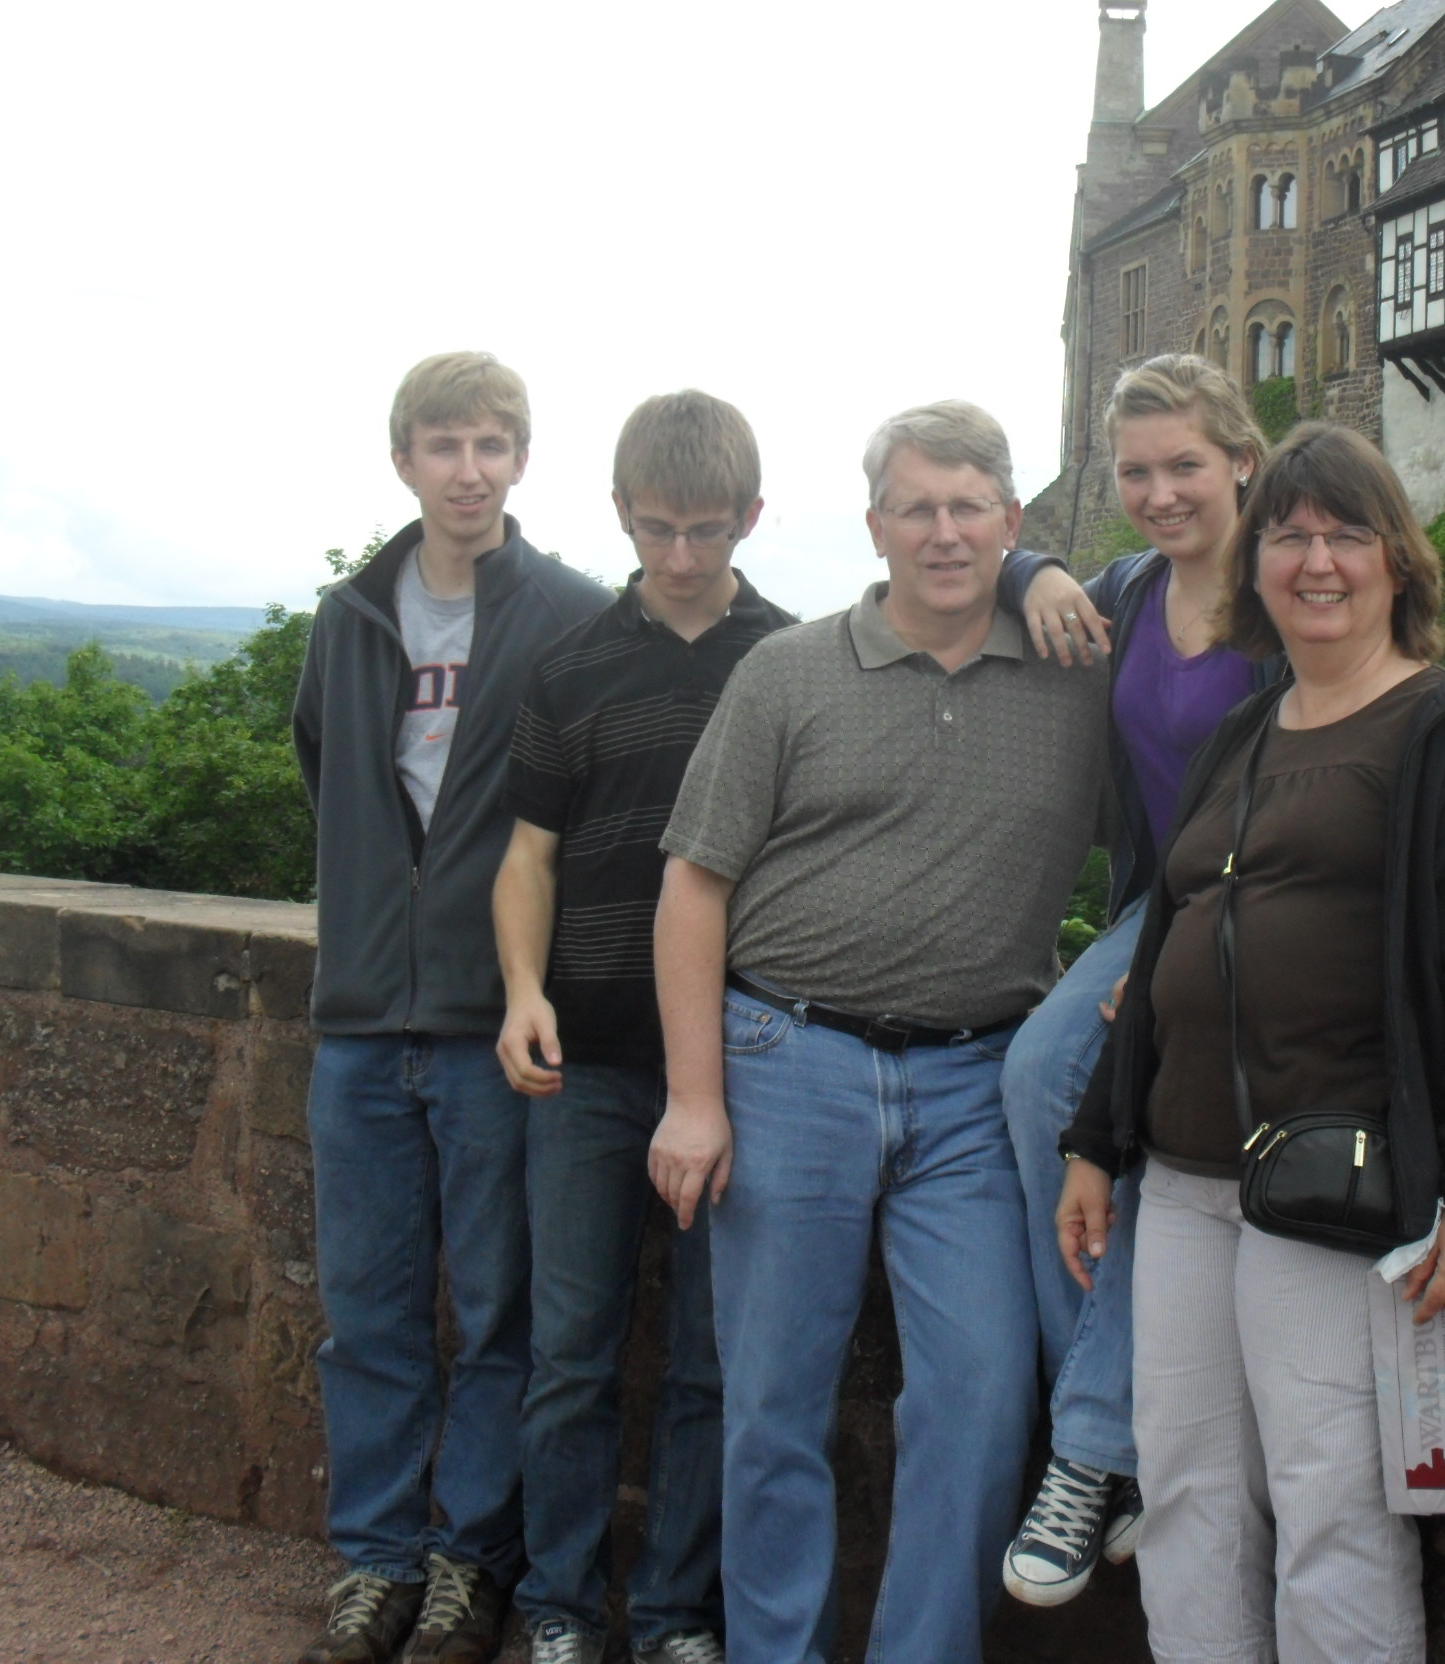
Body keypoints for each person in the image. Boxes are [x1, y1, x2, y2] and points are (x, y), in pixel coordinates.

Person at [1055, 421, 1445, 1662]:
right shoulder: (1246, 734)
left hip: (1334, 1180)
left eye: (1348, 535)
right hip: (1184, 1179)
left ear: (1400, 563)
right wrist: (1095, 1141)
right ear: (1258, 567)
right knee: (1184, 1492)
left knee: (1331, 1506)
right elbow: (1169, 945)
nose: (1317, 562)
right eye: (1289, 537)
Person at [647, 400, 1111, 1664]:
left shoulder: (1078, 678)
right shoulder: (788, 673)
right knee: (770, 1407)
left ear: (1011, 521)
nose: (943, 533)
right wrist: (694, 1097)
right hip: (786, 1063)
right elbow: (693, 885)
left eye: (968, 509)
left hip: (976, 1084)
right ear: (874, 527)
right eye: (917, 509)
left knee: (982, 1396)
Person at [291, 352, 614, 1664]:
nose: (468, 471)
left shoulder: (573, 615)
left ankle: (465, 1565)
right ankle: (372, 1564)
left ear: (521, 459)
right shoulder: (349, 617)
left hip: (496, 1025)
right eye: (444, 446)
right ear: (404, 460)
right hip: (363, 1018)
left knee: (496, 1317)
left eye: (490, 446)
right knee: (367, 1316)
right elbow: (327, 770)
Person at [494, 391, 793, 1664]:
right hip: (587, 1065)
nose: (679, 555)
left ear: (752, 518)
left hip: (745, 1061)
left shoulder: (793, 661)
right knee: (570, 1356)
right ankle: (557, 1611)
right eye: (658, 528)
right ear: (620, 511)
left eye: (706, 530)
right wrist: (522, 989)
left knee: (713, 1368)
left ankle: (675, 1618)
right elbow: (528, 856)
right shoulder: (567, 667)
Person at [986, 355, 1280, 1607]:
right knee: (1038, 1078)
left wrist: (1197, 963)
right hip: (1154, 907)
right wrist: (1034, 569)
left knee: (1100, 1083)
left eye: (1186, 467)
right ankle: (1118, 1428)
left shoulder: (1288, 594)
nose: (1161, 494)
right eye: (1137, 472)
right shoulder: (1126, 591)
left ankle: (1091, 1448)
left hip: (1259, 914)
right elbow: (998, 568)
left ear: (1243, 462)